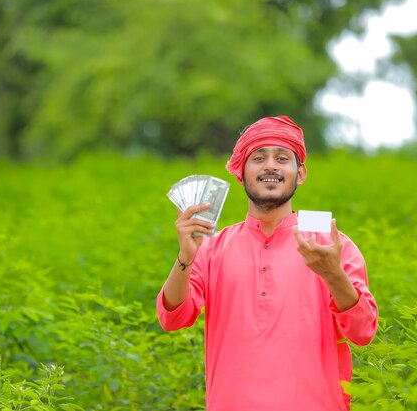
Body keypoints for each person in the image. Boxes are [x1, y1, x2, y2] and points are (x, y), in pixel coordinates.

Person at [156, 116, 378, 411]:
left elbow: (363, 332)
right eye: (258, 158)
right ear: (241, 173)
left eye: (282, 158)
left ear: (300, 174)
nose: (270, 165)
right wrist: (186, 256)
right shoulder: (213, 247)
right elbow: (172, 318)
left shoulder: (330, 242)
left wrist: (334, 275)